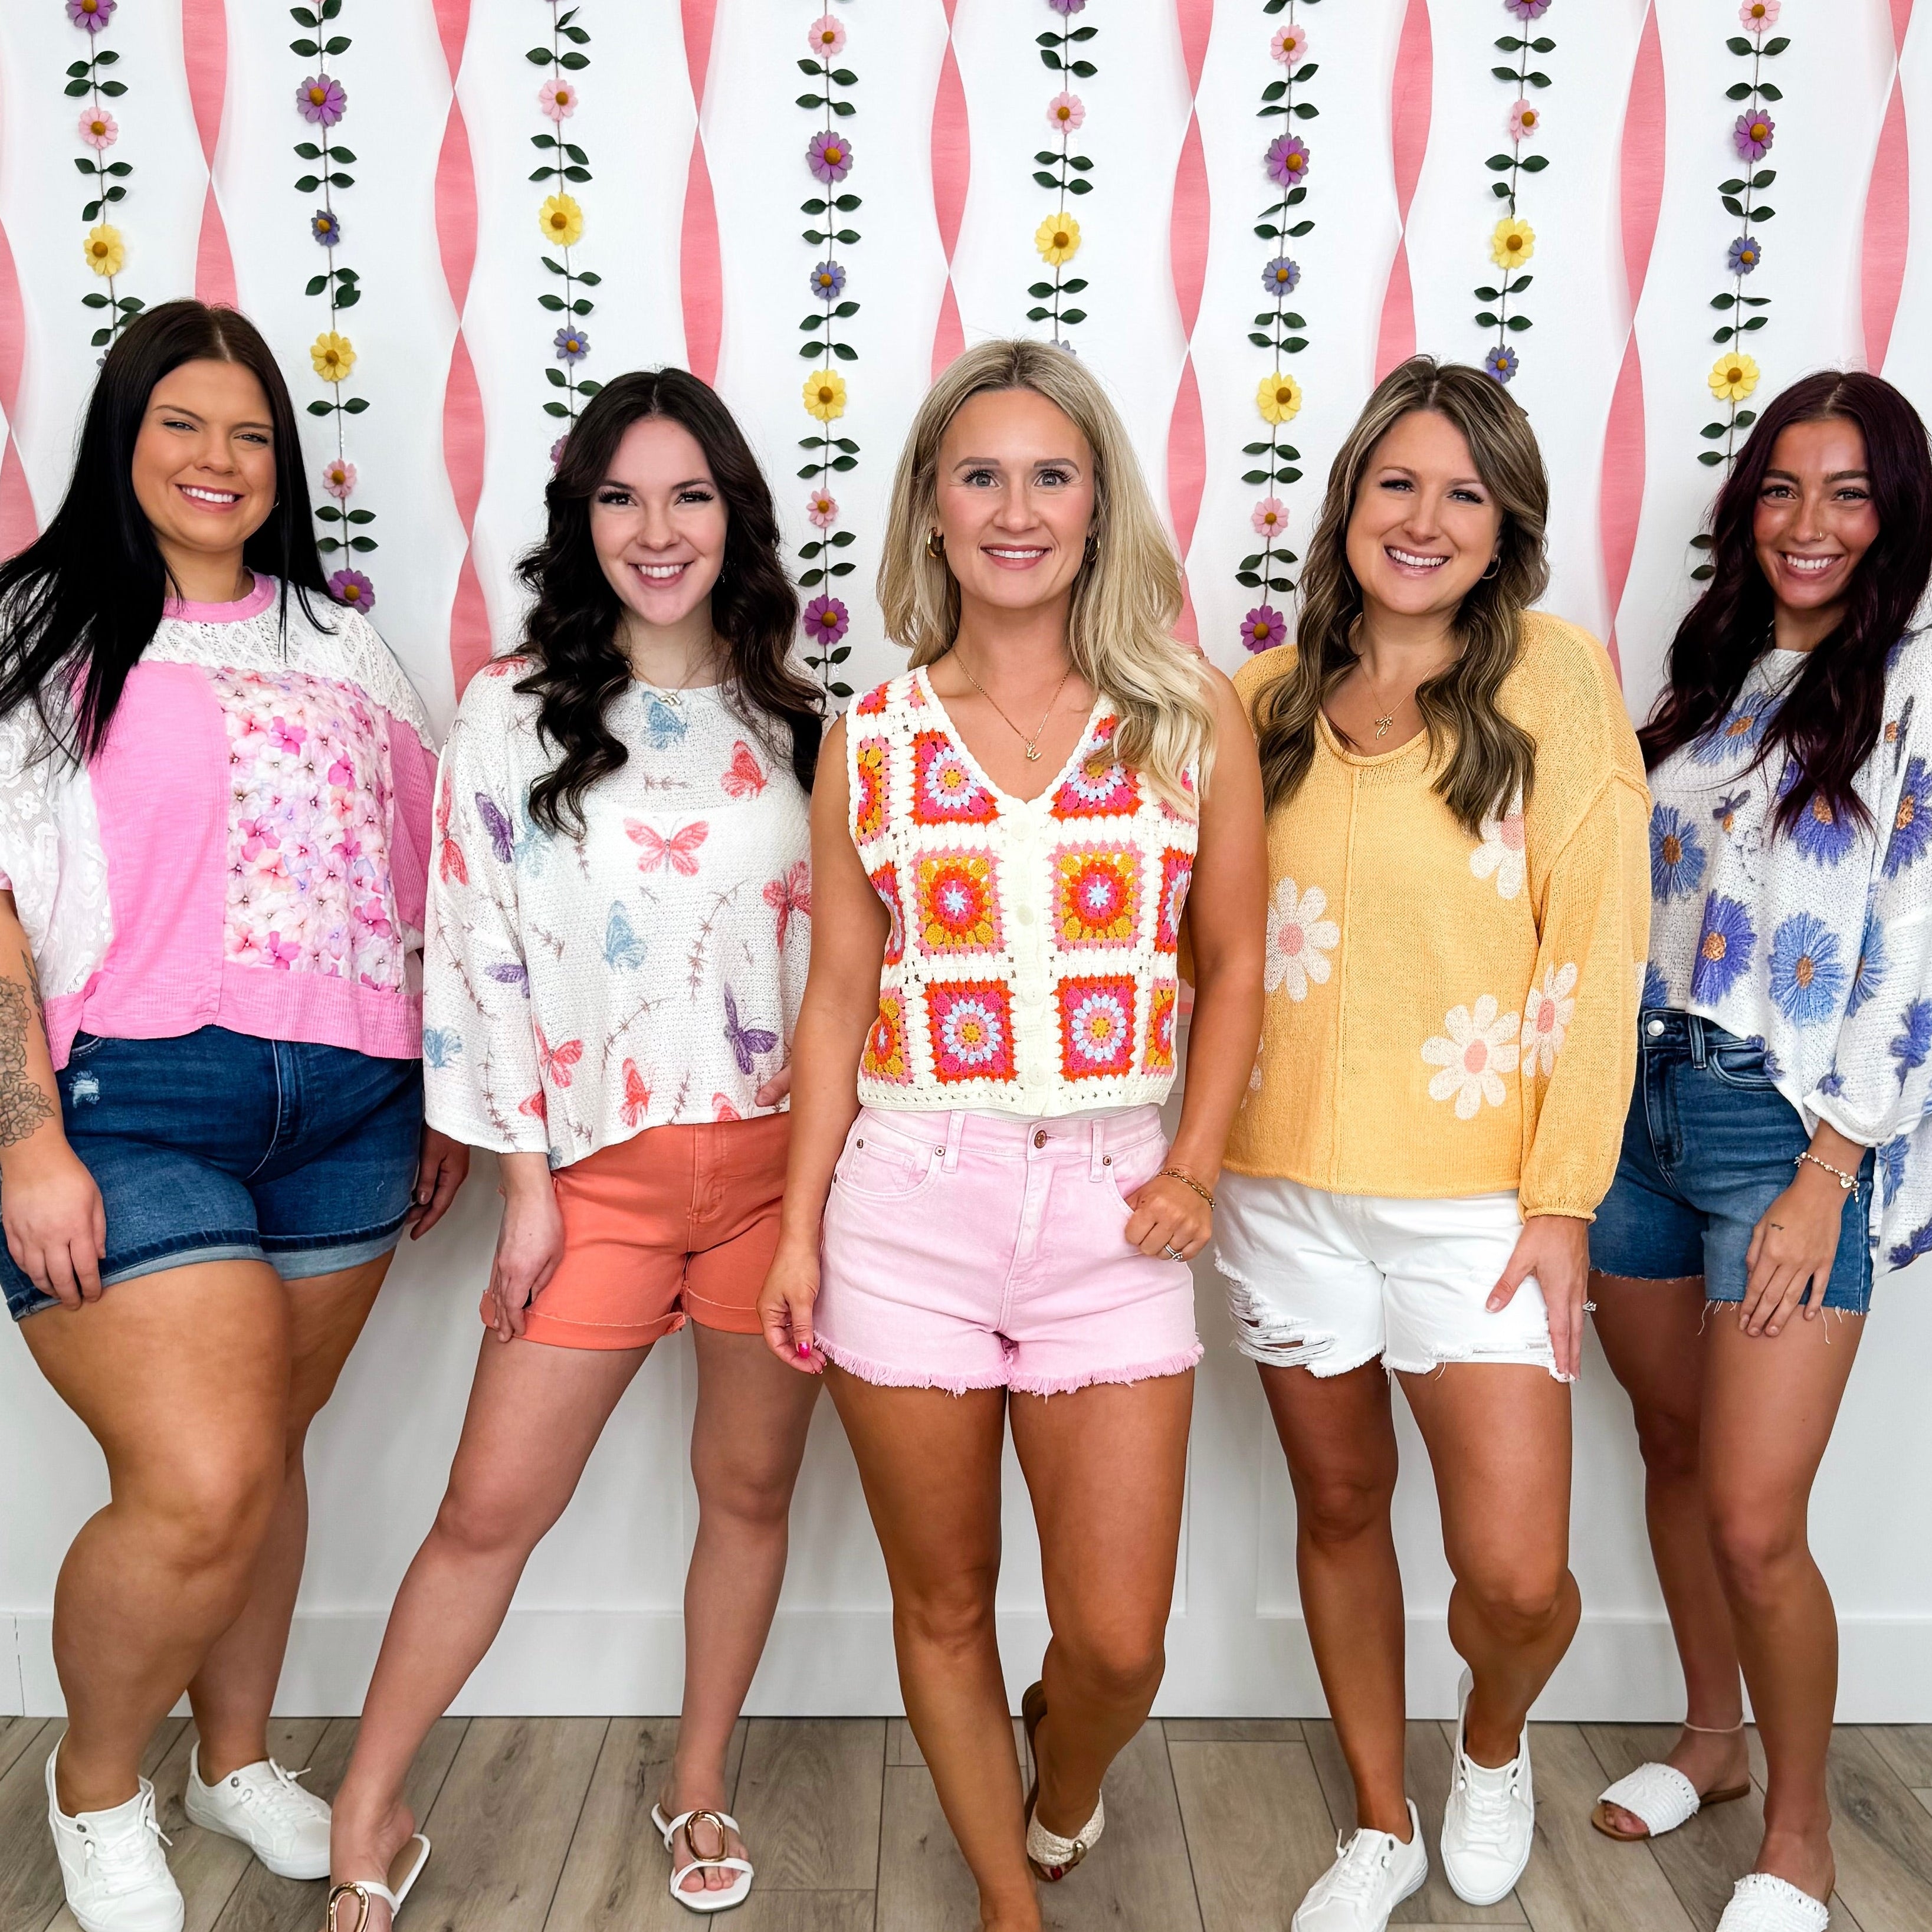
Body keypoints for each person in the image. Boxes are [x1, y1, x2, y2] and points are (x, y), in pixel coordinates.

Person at [756, 338, 1265, 1932]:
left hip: (1118, 1205)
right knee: (947, 1597)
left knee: (1117, 1640)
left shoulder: (1187, 718)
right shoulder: (877, 733)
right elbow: (839, 995)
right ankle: (1005, 1899)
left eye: (1050, 472)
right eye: (978, 473)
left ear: (1099, 502)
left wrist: (1193, 1163)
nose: (1015, 506)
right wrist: (791, 1230)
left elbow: (1232, 959)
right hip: (905, 1196)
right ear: (927, 506)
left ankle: (1061, 1776)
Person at [324, 369, 824, 1928]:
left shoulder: (814, 724)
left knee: (745, 1494)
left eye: (687, 495)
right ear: (580, 518)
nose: (655, 530)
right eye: (620, 496)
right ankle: (369, 1804)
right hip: (592, 1184)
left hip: (773, 1183)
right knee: (488, 1509)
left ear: (732, 514)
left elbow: (851, 973)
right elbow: (471, 945)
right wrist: (529, 1190)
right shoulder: (508, 705)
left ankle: (695, 1779)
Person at [0, 300, 463, 1932]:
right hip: (130, 1104)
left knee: (261, 1460)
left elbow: (441, 878)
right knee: (197, 1475)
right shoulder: (38, 630)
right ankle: (98, 1783)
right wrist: (24, 1139)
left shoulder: (340, 645)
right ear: (123, 438)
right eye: (182, 423)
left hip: (349, 1109)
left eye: (250, 432)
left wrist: (449, 1087)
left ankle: (238, 1759)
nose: (218, 458)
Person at [1218, 356, 1649, 1931]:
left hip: (1479, 1200)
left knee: (1516, 1577)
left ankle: (1487, 1741)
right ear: (1347, 503)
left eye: (1462, 492)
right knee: (1337, 1510)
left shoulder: (1555, 679)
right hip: (1279, 1191)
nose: (1422, 517)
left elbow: (1596, 955)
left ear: (1503, 523)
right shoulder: (1256, 703)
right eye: (1396, 482)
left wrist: (1561, 1200)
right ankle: (1380, 1819)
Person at [1586, 371, 1932, 1932]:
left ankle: (1798, 1834)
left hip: (1779, 1133)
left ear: (1894, 512)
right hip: (1633, 1114)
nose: (1807, 524)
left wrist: (1823, 1176)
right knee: (1669, 1450)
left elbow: (1914, 953)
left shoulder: (1915, 682)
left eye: (1846, 492)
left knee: (1750, 1512)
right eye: (1782, 490)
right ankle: (1710, 1741)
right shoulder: (1714, 662)